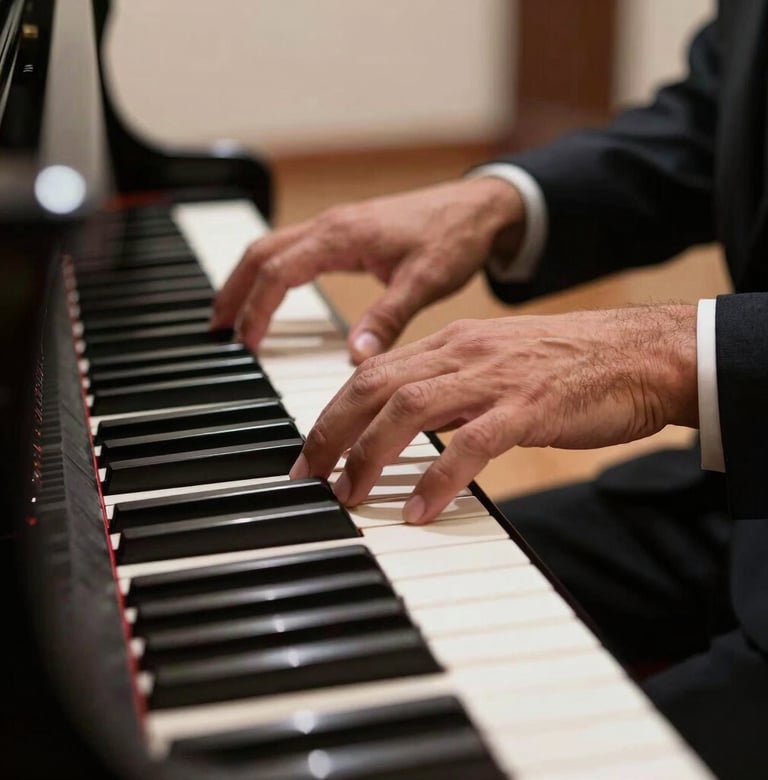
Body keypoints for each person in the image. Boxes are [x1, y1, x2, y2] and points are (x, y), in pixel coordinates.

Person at [212, 7, 768, 779]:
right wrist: (505, 199)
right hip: (738, 500)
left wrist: (680, 354)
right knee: (345, 584)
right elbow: (714, 118)